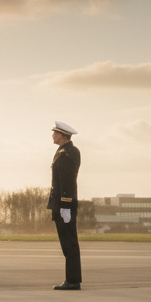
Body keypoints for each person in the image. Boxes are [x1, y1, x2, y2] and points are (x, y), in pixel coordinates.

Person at [49, 122, 82, 290]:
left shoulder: (69, 152)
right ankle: (72, 279)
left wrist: (65, 206)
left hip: (65, 205)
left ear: (63, 135)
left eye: (55, 133)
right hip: (61, 204)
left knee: (69, 244)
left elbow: (68, 181)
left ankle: (73, 281)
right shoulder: (63, 151)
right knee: (67, 244)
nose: (53, 136)